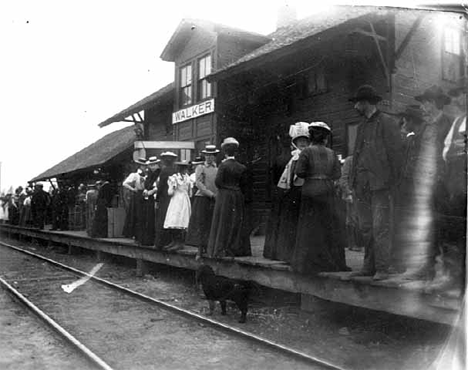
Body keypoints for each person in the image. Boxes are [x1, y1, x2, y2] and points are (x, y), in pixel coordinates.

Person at [348, 85, 404, 280]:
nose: (355, 106)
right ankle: (368, 266)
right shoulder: (361, 126)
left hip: (380, 185)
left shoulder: (387, 122)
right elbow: (357, 155)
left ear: (365, 102)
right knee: (366, 227)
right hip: (362, 186)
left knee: (381, 227)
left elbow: (396, 155)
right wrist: (353, 181)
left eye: (357, 102)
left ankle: (382, 268)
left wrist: (393, 183)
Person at [290, 122, 348, 274]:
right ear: (325, 138)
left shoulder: (306, 152)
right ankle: (332, 262)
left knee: (310, 225)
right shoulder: (332, 153)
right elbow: (337, 174)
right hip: (328, 191)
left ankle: (310, 263)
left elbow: (300, 172)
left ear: (311, 136)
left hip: (310, 190)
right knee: (329, 226)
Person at [392, 105, 439, 279]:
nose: (403, 123)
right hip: (410, 189)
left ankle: (427, 269)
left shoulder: (425, 136)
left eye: (405, 119)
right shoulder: (413, 139)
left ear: (412, 120)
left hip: (424, 189)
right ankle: (417, 267)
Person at [263, 122, 310, 262]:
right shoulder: (292, 158)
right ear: (293, 143)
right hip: (289, 192)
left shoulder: (299, 156)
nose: (303, 144)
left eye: (305, 141)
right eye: (300, 141)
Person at [207, 137, 251, 258]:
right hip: (237, 196)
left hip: (225, 196)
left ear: (225, 152)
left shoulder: (223, 166)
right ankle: (237, 249)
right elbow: (244, 184)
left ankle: (222, 248)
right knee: (236, 221)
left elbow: (218, 182)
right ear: (235, 152)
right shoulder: (241, 167)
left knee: (223, 221)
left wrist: (226, 188)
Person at [186, 145, 219, 259]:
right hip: (202, 199)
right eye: (207, 155)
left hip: (214, 199)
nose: (209, 158)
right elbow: (199, 183)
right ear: (204, 156)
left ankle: (209, 248)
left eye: (212, 155)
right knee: (201, 223)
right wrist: (210, 194)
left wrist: (217, 194)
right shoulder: (201, 167)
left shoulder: (217, 169)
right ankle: (199, 250)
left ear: (214, 157)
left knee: (211, 223)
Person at [163, 161, 193, 251]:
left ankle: (177, 242)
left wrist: (172, 187)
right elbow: (190, 193)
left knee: (175, 218)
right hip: (184, 199)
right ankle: (176, 242)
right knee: (180, 219)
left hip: (177, 199)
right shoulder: (188, 178)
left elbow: (170, 192)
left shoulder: (174, 178)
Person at [338, 155, 363, 252]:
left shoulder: (365, 158)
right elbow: (343, 178)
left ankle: (358, 243)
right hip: (353, 194)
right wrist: (348, 192)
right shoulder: (350, 160)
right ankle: (352, 244)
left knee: (360, 219)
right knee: (352, 219)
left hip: (363, 195)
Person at [154, 152, 177, 249]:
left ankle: (160, 243)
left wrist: (157, 199)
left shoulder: (164, 171)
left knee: (162, 219)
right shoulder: (175, 170)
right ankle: (169, 241)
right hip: (174, 197)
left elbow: (161, 187)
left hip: (164, 198)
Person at [122, 157, 147, 240]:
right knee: (136, 214)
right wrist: (132, 189)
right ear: (140, 166)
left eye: (145, 166)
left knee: (143, 214)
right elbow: (124, 183)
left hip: (145, 194)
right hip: (137, 194)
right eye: (143, 166)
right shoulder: (135, 175)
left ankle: (142, 234)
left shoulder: (147, 175)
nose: (144, 167)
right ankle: (135, 234)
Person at [139, 156, 160, 246]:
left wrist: (150, 192)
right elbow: (147, 184)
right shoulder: (149, 174)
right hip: (148, 198)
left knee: (152, 218)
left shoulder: (159, 173)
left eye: (153, 165)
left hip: (155, 197)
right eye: (150, 165)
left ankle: (152, 240)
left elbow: (158, 186)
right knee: (147, 217)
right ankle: (146, 239)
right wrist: (145, 189)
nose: (151, 167)